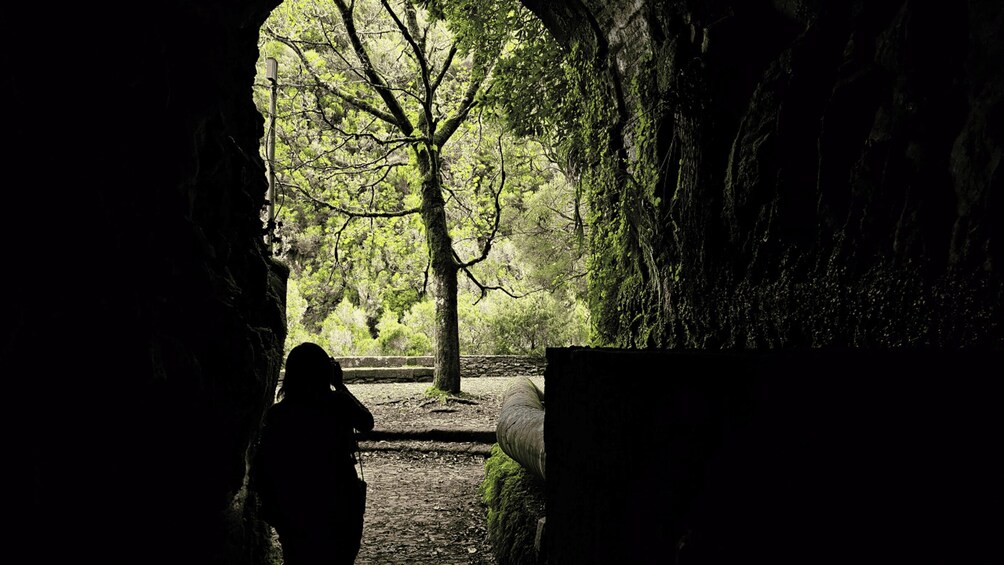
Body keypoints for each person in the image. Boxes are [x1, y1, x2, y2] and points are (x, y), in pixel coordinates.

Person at [250, 342, 375, 565]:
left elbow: (262, 467)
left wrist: (276, 510)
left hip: (295, 506)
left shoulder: (278, 414)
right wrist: (340, 385)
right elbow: (366, 422)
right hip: (339, 501)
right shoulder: (337, 403)